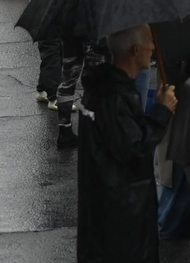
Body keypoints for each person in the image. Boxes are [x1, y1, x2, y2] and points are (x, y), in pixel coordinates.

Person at [76, 25, 177, 263]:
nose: (153, 47)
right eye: (150, 42)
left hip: (105, 208)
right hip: (122, 213)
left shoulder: (104, 89)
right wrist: (163, 112)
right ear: (135, 49)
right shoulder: (114, 96)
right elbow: (134, 148)